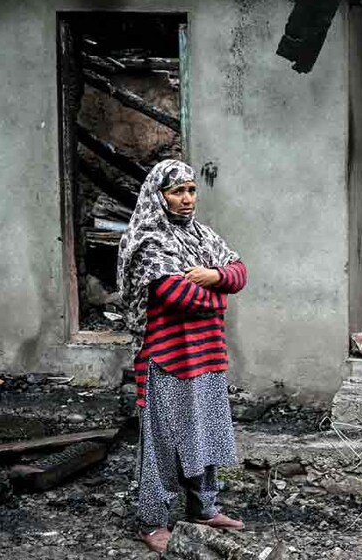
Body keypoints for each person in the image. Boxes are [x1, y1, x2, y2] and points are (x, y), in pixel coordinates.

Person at [116, 159, 248, 553]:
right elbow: (178, 296)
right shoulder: (147, 242)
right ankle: (152, 521)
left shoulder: (202, 236)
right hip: (166, 359)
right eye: (177, 191)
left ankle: (204, 509)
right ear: (159, 196)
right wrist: (220, 296)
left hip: (206, 355)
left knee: (204, 433)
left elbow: (240, 271)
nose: (187, 198)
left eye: (191, 190)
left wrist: (213, 277)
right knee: (161, 444)